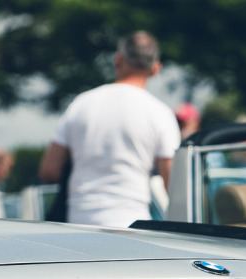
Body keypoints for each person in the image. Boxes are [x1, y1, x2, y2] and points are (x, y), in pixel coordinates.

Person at [38, 31, 181, 227]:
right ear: (156, 69)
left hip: (78, 224)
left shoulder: (81, 103)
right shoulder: (160, 113)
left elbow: (49, 170)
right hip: (132, 225)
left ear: (118, 60)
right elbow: (172, 185)